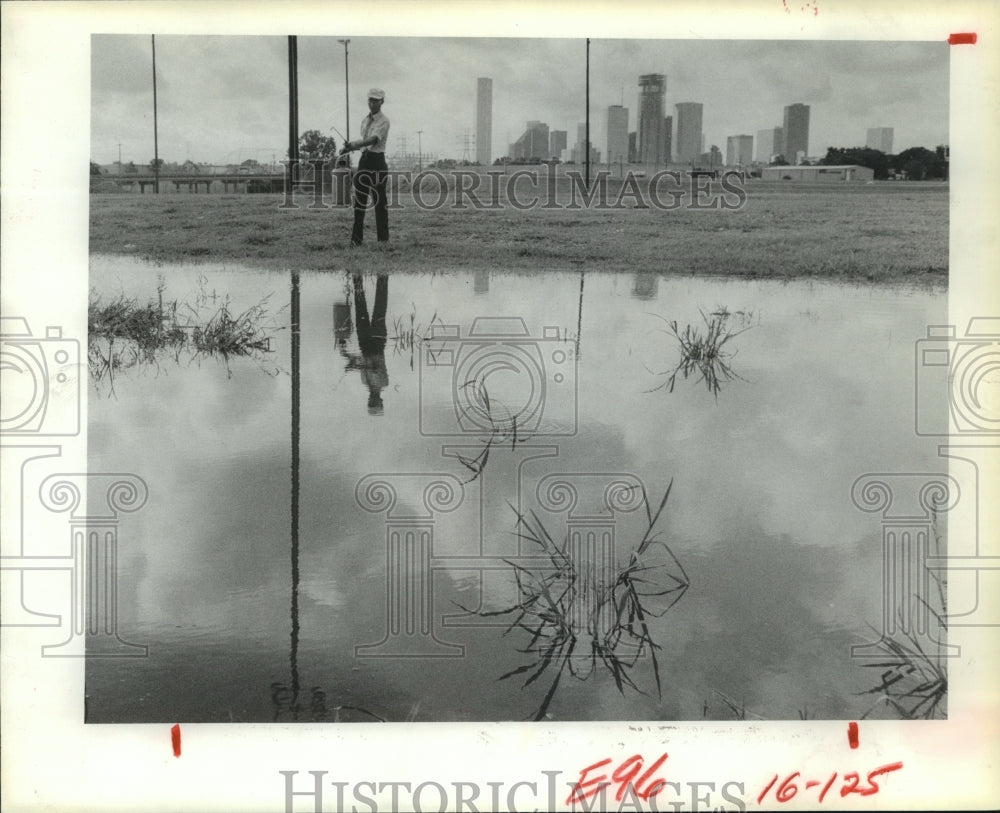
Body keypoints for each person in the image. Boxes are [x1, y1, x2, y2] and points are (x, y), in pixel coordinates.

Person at [340, 88, 390, 246]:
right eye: (370, 100)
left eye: (376, 100)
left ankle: (383, 240)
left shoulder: (384, 121)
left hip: (377, 162)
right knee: (359, 201)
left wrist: (355, 144)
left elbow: (372, 140)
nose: (372, 103)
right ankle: (356, 240)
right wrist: (348, 148)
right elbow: (363, 141)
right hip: (364, 161)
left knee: (379, 202)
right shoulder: (364, 120)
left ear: (382, 101)